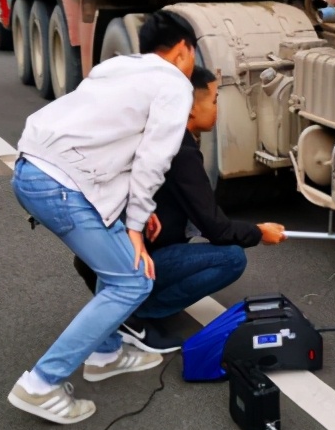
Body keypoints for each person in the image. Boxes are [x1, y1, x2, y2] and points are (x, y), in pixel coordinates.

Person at [6, 10, 198, 425]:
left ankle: (106, 353)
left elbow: (108, 141)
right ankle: (40, 384)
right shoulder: (174, 84)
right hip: (64, 185)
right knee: (133, 280)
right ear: (183, 50)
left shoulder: (116, 67)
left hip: (32, 170)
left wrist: (134, 212)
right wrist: (135, 226)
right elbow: (153, 159)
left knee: (120, 270)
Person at [73, 66, 286, 353]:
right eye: (213, 100)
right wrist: (259, 232)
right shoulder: (180, 152)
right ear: (189, 109)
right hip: (125, 265)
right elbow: (216, 228)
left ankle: (122, 303)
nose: (217, 108)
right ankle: (132, 315)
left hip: (99, 260)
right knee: (232, 259)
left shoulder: (151, 135)